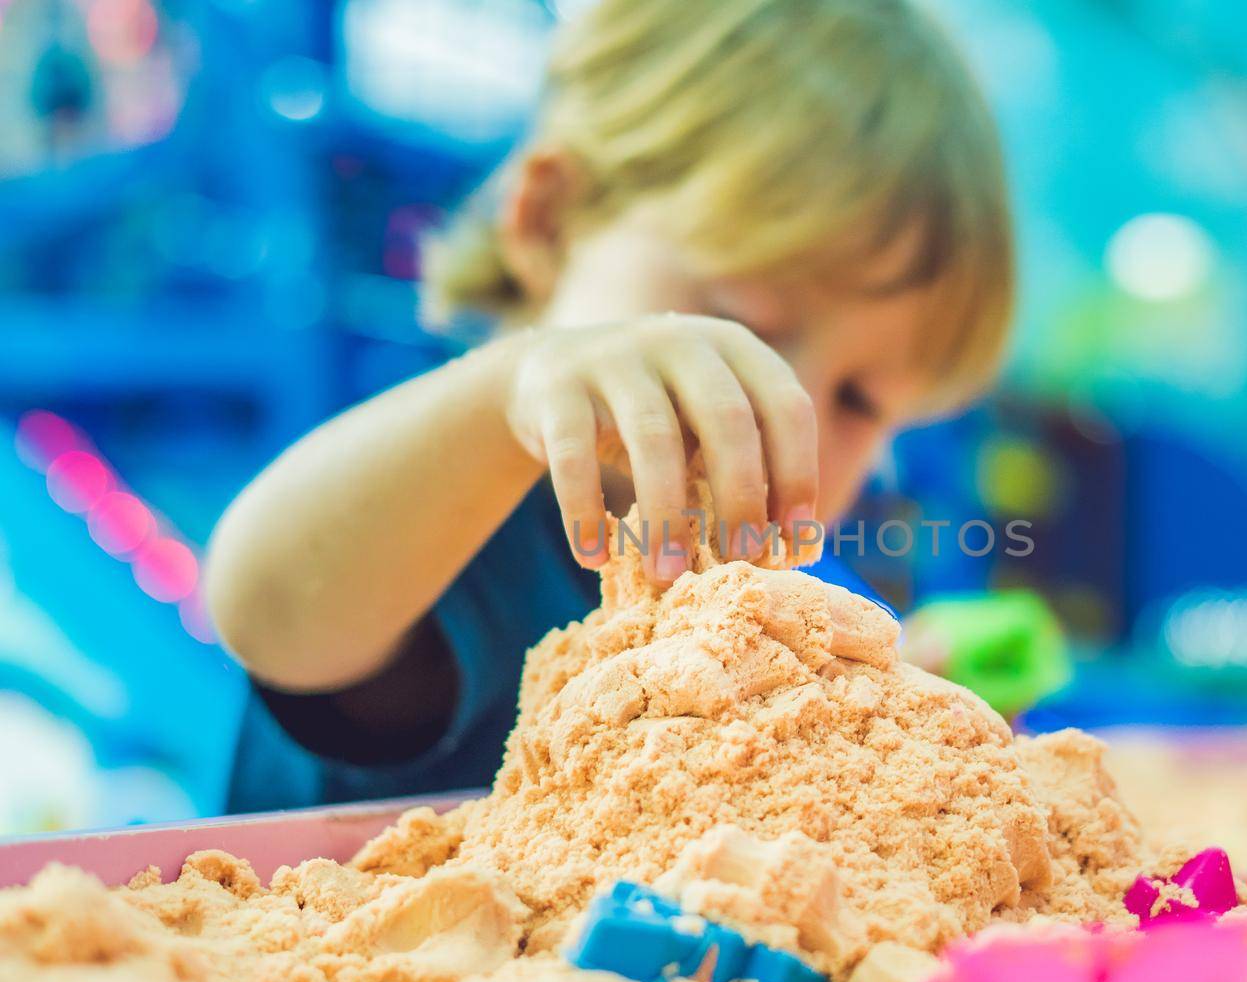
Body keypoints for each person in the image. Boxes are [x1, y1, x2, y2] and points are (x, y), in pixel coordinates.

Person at [205, 0, 1014, 812]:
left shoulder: (776, 596)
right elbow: (266, 609)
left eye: (859, 399)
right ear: (552, 220)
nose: (779, 404)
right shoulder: (456, 516)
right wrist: (508, 390)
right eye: (742, 321)